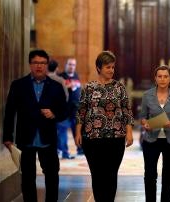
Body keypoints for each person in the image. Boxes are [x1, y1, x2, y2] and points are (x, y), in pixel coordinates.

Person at [3, 49, 68, 202]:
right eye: (36, 63)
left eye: (43, 63)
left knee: (52, 176)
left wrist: (54, 114)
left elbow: (65, 111)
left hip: (48, 138)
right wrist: (7, 137)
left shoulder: (56, 86)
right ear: (30, 64)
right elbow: (10, 112)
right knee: (27, 178)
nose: (39, 66)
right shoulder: (18, 85)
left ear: (47, 65)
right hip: (25, 138)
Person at [74, 50, 134, 202]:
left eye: (113, 67)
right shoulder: (89, 88)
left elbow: (127, 110)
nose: (111, 70)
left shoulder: (119, 87)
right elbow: (81, 111)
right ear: (99, 68)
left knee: (111, 173)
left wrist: (129, 132)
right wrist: (78, 133)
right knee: (97, 174)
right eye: (108, 67)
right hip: (92, 137)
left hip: (116, 137)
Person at [140, 65, 170, 202]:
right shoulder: (147, 95)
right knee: (150, 176)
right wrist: (145, 124)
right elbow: (142, 116)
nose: (162, 79)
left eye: (165, 76)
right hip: (151, 140)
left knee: (168, 176)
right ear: (155, 78)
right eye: (159, 76)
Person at [47, 60, 74, 159]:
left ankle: (52, 152)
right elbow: (66, 96)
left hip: (46, 111)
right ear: (56, 68)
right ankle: (65, 153)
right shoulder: (60, 80)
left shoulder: (43, 79)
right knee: (62, 132)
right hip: (59, 111)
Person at [59, 58, 83, 155]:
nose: (71, 66)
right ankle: (64, 152)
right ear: (66, 65)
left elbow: (78, 88)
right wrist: (69, 85)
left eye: (73, 65)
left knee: (77, 131)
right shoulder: (61, 76)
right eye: (70, 64)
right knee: (62, 132)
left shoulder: (76, 76)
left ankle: (80, 150)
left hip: (75, 109)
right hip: (64, 109)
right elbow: (60, 88)